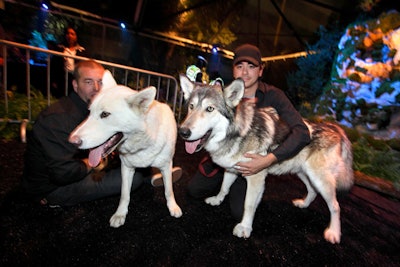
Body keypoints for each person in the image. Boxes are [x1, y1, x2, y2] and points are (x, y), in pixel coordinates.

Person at [22, 59, 182, 207]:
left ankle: (152, 172)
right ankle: (149, 174)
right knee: (134, 179)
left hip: (68, 172)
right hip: (53, 188)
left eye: (100, 82)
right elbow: (62, 174)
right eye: (88, 82)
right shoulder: (57, 119)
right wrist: (95, 163)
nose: (97, 88)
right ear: (75, 85)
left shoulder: (91, 107)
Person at [187, 44, 311, 221]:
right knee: (194, 190)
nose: (245, 72)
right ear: (234, 70)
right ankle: (222, 192)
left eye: (251, 66)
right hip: (223, 157)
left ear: (261, 70)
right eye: (239, 66)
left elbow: (302, 133)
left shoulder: (275, 96)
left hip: (252, 162)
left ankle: (237, 193)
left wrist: (268, 159)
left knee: (238, 212)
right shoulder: (222, 95)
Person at [50, 26, 89, 98]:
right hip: (62, 78)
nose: (69, 36)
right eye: (68, 33)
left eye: (72, 34)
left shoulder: (81, 51)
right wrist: (53, 80)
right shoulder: (59, 48)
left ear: (76, 36)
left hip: (75, 79)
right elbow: (53, 65)